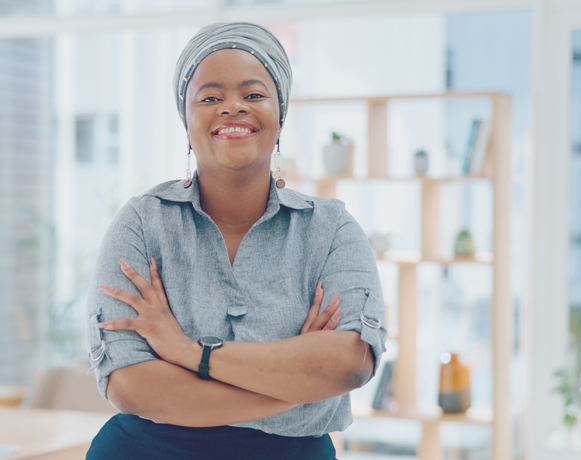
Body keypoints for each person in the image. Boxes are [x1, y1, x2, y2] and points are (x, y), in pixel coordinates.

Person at [85, 22, 386, 460]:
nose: (233, 108)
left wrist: (189, 353)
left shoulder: (332, 229)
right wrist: (294, 390)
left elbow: (349, 362)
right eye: (210, 97)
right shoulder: (141, 223)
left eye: (254, 94)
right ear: (186, 121)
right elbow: (130, 385)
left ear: (279, 115)